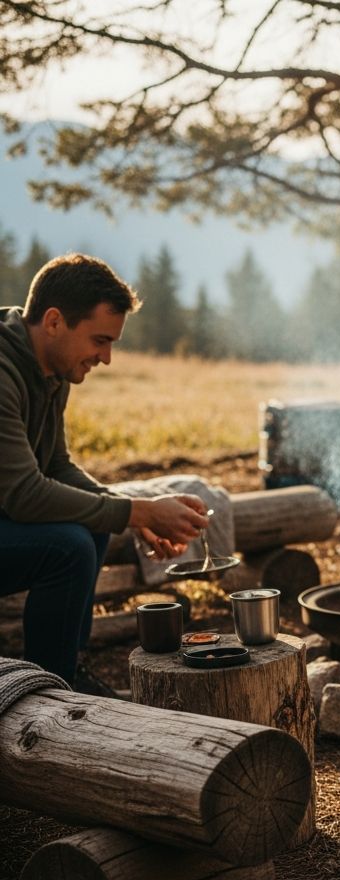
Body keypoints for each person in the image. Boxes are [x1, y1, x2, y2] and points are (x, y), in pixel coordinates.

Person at [0, 253, 209, 689]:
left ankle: (66, 670)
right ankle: (48, 696)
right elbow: (24, 492)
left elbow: (56, 465)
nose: (107, 358)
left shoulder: (50, 368)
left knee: (92, 528)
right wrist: (139, 513)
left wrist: (131, 512)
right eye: (99, 340)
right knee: (68, 547)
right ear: (54, 321)